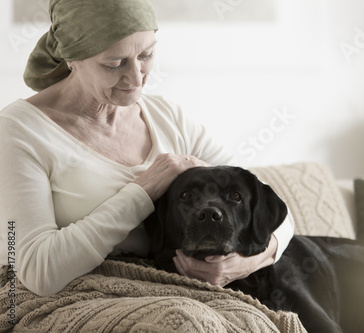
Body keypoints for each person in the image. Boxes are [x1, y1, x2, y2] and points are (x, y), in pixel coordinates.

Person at [0, 0, 294, 296]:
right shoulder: (18, 131)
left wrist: (244, 264)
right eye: (114, 64)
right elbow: (38, 272)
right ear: (70, 57)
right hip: (77, 295)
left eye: (147, 54)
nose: (137, 76)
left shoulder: (167, 117)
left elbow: (277, 211)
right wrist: (144, 189)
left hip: (172, 289)